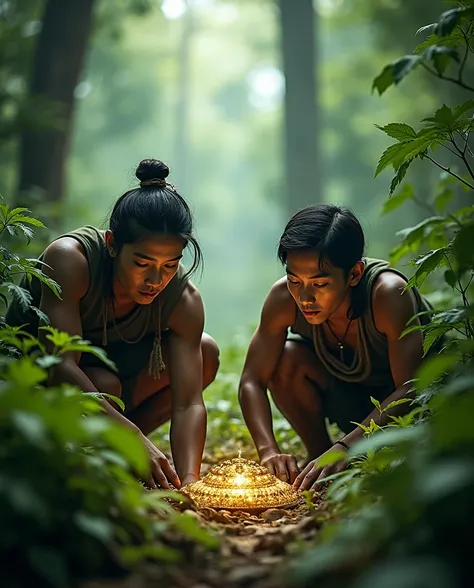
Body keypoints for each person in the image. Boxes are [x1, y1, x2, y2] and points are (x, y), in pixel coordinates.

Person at [7, 158, 219, 490]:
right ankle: (93, 453)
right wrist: (130, 434)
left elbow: (189, 402)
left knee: (205, 351)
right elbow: (59, 365)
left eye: (169, 265)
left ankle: (117, 454)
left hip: (116, 386)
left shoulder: (183, 298)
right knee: (103, 382)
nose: (155, 279)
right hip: (38, 385)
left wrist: (190, 483)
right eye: (142, 262)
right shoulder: (70, 259)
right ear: (111, 244)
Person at [239, 204, 434, 491]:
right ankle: (319, 459)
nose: (305, 297)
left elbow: (413, 388)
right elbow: (251, 381)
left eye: (319, 283)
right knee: (287, 360)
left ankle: (341, 459)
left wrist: (346, 446)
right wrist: (268, 450)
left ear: (354, 274)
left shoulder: (388, 295)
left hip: (403, 415)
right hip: (346, 399)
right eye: (295, 280)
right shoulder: (284, 298)